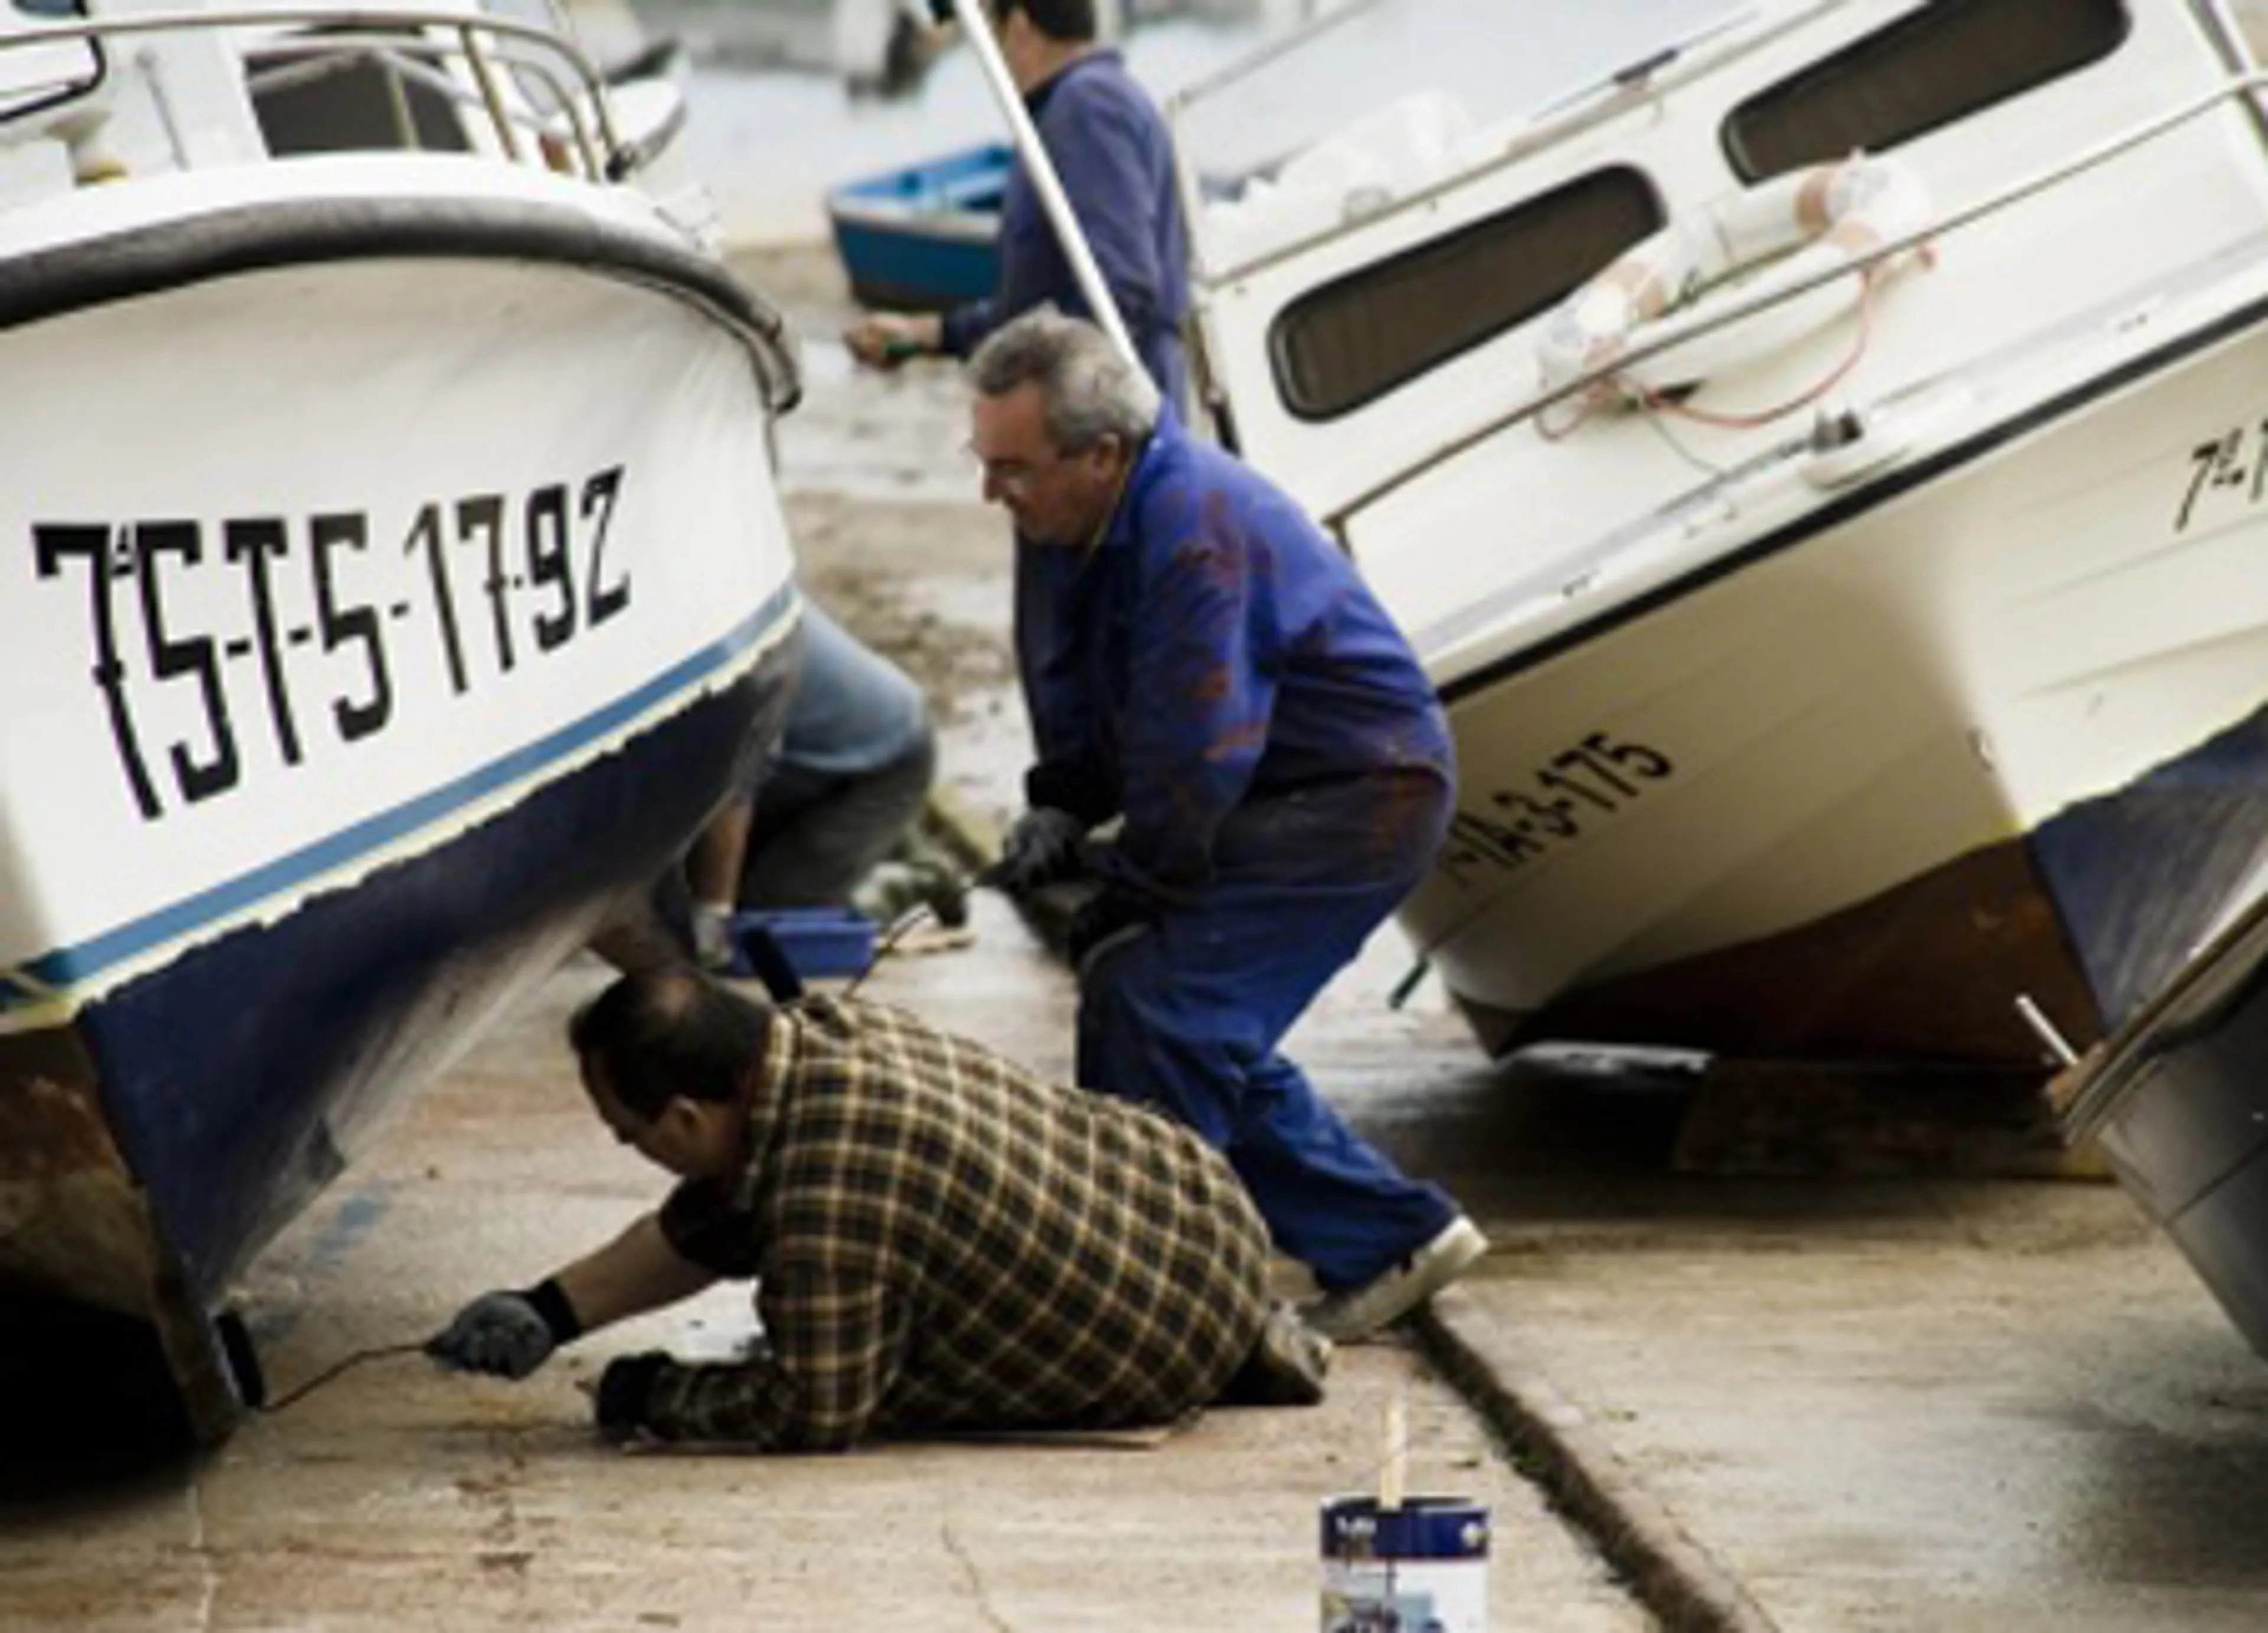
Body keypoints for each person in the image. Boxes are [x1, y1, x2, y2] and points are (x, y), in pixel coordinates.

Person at [966, 309, 1487, 1343]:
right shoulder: (1094, 520)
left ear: (1101, 452)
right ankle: (1388, 1237)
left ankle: (1159, 1295)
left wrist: (1133, 891)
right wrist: (1061, 800)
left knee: (1162, 1002)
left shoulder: (1193, 532)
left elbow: (1195, 751)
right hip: (1284, 789)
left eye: (1013, 468)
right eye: (986, 465)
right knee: (1161, 1007)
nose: (994, 493)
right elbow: (1103, 693)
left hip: (1357, 796)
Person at [425, 968, 1329, 1448]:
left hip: (1160, 1351)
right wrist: (552, 1308)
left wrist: (650, 1393)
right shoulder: (826, 1033)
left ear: (691, 1116)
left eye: (633, 1134)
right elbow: (720, 1215)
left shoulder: (827, 1196)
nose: (634, 1151)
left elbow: (812, 1410)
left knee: (860, 1368)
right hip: (1204, 1214)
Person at [843, 0, 1190, 411]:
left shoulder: (1088, 106)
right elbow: (1038, 302)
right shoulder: (1074, 105)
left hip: (1104, 427)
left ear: (1020, 27)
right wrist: (931, 334)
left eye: (992, 30)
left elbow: (1117, 290)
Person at [682, 602, 960, 971]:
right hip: (810, 756)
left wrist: (713, 919)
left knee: (767, 923)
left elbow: (737, 785)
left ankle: (913, 878)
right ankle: (879, 846)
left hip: (883, 764)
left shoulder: (727, 650)